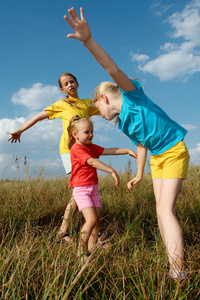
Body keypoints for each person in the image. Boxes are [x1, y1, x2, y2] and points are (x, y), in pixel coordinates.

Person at [64, 7, 190, 279]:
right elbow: (143, 144)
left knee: (165, 210)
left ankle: (179, 272)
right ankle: (173, 263)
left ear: (104, 98)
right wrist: (139, 174)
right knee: (160, 212)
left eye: (97, 107)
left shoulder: (132, 95)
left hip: (174, 151)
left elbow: (111, 67)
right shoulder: (123, 123)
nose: (99, 114)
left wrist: (88, 41)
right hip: (157, 157)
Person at [7, 72, 100, 243]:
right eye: (66, 84)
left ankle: (78, 232)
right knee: (80, 189)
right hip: (69, 151)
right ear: (62, 89)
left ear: (77, 83)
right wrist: (20, 130)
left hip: (86, 151)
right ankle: (65, 231)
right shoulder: (62, 104)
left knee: (82, 190)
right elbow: (38, 117)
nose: (70, 85)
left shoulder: (87, 104)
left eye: (72, 81)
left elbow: (108, 109)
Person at [67, 114, 137, 261]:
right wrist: (111, 170)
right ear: (75, 135)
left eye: (92, 132)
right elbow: (91, 162)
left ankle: (93, 248)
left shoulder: (91, 147)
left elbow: (109, 150)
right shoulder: (77, 148)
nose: (91, 135)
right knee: (91, 219)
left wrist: (126, 150)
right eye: (87, 132)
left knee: (97, 219)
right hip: (81, 190)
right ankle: (81, 250)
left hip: (93, 189)